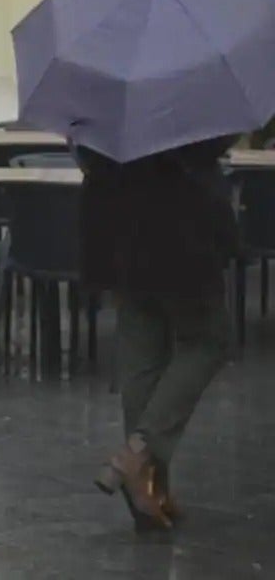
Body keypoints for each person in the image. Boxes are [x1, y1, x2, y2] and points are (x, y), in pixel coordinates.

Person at [77, 137, 236, 530]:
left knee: (142, 355)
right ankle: (138, 453)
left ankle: (148, 489)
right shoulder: (188, 85)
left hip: (118, 231)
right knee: (209, 340)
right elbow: (205, 147)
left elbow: (86, 155)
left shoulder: (102, 90)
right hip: (179, 233)